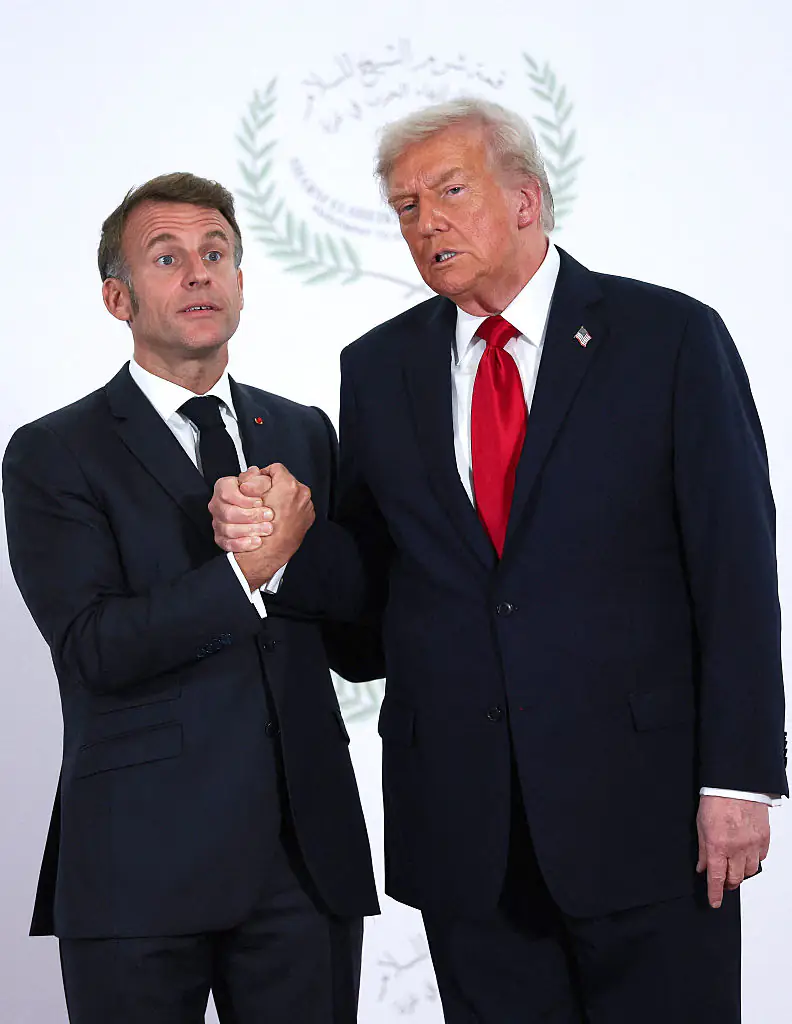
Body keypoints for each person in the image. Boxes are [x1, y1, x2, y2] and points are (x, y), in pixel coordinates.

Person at [210, 100, 788, 1022]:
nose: (426, 222)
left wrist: (739, 778)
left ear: (528, 199)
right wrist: (286, 556)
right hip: (465, 827)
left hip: (647, 816)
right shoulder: (379, 366)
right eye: (405, 206)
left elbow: (736, 569)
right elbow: (374, 601)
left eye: (449, 191)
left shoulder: (669, 337)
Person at [2, 172, 378, 1024]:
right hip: (138, 867)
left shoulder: (305, 430)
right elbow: (95, 645)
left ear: (242, 282)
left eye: (216, 254)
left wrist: (290, 559)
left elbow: (363, 631)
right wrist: (247, 573)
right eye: (166, 258)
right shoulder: (53, 452)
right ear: (117, 297)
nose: (199, 273)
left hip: (303, 862)